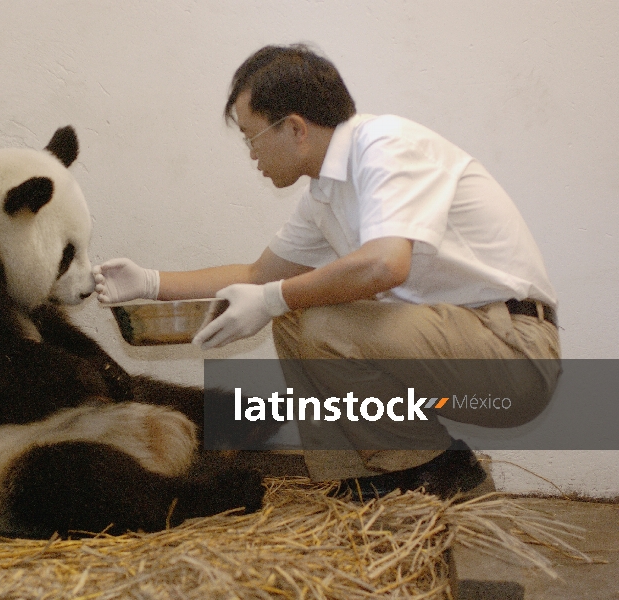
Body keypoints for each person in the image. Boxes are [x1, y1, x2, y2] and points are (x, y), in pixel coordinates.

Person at [93, 44, 560, 500]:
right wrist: (150, 282)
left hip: (514, 351)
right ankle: (369, 478)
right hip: (462, 342)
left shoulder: (386, 146)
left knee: (310, 314)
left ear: (295, 128)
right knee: (297, 318)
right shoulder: (324, 195)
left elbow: (384, 264)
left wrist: (276, 297)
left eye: (251, 137)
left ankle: (444, 469)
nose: (251, 154)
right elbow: (258, 275)